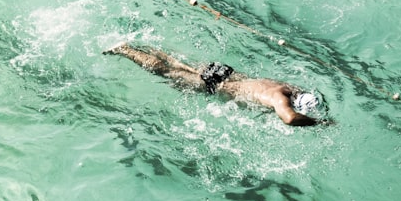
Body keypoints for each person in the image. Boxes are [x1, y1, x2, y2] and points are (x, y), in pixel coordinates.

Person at [103, 43, 326, 126]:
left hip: (223, 71)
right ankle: (126, 50)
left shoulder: (287, 86)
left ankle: (139, 44)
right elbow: (289, 118)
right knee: (166, 71)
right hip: (217, 85)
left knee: (175, 62)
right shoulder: (281, 98)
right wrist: (318, 123)